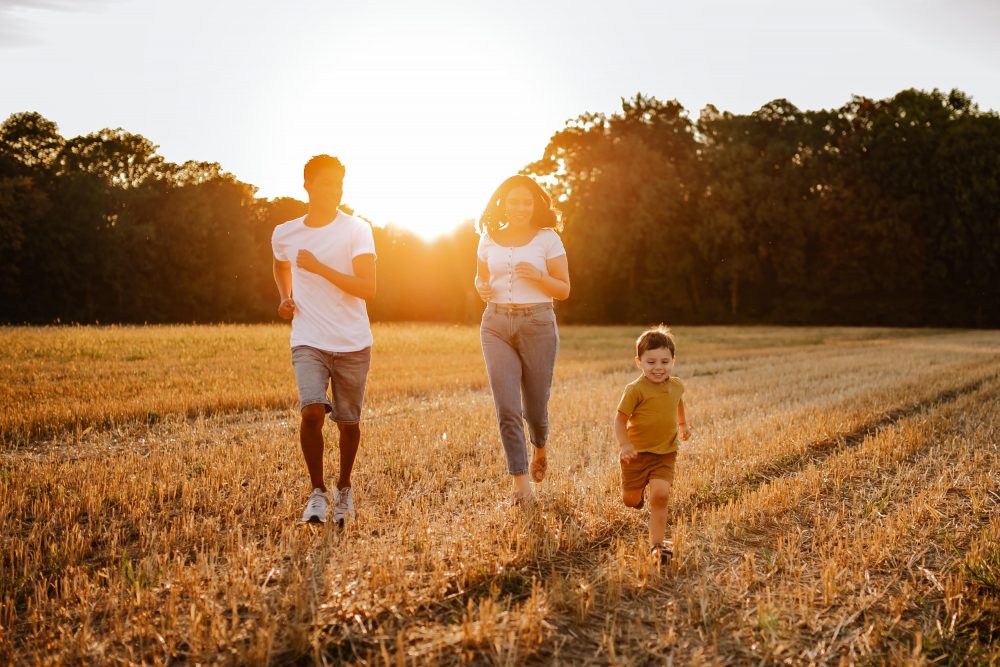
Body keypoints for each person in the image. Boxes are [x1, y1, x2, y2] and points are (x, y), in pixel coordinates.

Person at [271, 154, 377, 525]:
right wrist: (286, 295)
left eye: (338, 183)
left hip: (352, 342)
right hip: (308, 338)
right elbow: (280, 262)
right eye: (325, 182)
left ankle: (343, 488)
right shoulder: (285, 232)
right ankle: (316, 492)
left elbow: (368, 287)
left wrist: (319, 268)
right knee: (312, 411)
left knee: (348, 425)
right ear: (307, 185)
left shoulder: (357, 229)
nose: (333, 189)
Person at [475, 175, 570, 505]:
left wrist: (540, 277)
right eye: (514, 202)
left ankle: (540, 445)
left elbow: (564, 289)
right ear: (502, 203)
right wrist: (480, 287)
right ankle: (520, 483)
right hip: (495, 324)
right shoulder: (487, 238)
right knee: (507, 408)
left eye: (527, 203)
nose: (520, 208)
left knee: (534, 406)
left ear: (536, 205)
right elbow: (480, 276)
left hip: (538, 323)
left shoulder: (548, 238)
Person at [614, 326, 691, 562]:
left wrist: (682, 424)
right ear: (639, 362)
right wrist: (624, 444)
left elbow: (677, 402)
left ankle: (657, 546)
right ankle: (636, 499)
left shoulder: (676, 385)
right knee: (629, 500)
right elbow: (619, 419)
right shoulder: (635, 390)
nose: (658, 368)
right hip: (636, 455)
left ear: (673, 361)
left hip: (665, 453)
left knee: (660, 496)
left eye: (664, 361)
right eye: (651, 362)